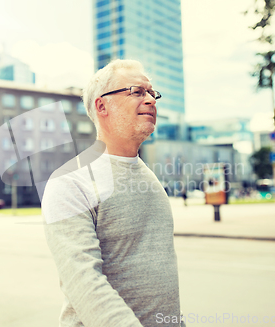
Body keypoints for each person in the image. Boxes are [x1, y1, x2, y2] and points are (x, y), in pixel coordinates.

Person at [42, 59, 185, 326]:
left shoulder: (149, 178)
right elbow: (84, 284)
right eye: (137, 92)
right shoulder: (69, 182)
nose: (151, 100)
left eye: (152, 93)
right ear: (102, 105)